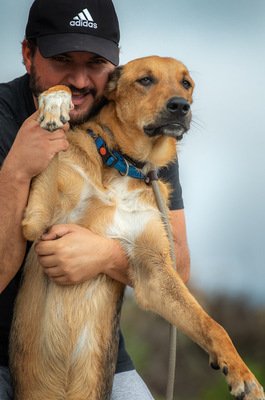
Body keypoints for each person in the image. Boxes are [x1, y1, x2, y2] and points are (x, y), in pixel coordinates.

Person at [0, 0, 191, 398]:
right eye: (63, 59)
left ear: (117, 66)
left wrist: (105, 256)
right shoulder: (3, 116)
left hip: (92, 357)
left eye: (97, 63)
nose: (81, 80)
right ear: (27, 55)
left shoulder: (139, 121)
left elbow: (180, 268)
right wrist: (17, 170)